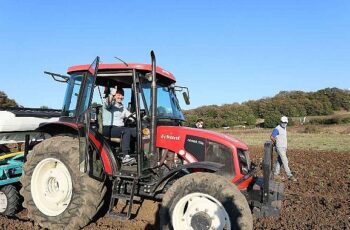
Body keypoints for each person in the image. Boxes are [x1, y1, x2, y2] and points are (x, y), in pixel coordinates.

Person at [102, 88, 136, 165]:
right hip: (109, 129)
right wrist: (112, 94)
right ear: (114, 95)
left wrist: (140, 117)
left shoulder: (122, 107)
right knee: (126, 130)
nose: (121, 97)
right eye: (119, 94)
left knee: (137, 131)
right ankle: (125, 156)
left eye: (122, 95)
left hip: (119, 129)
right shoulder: (109, 104)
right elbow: (108, 102)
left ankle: (140, 153)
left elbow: (130, 116)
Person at [270, 116, 297, 182]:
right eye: (283, 122)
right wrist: (276, 143)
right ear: (280, 122)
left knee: (280, 161)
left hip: (284, 147)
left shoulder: (284, 128)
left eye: (285, 122)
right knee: (285, 160)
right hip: (279, 147)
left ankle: (275, 174)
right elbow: (272, 136)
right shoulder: (277, 128)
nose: (284, 123)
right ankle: (289, 175)